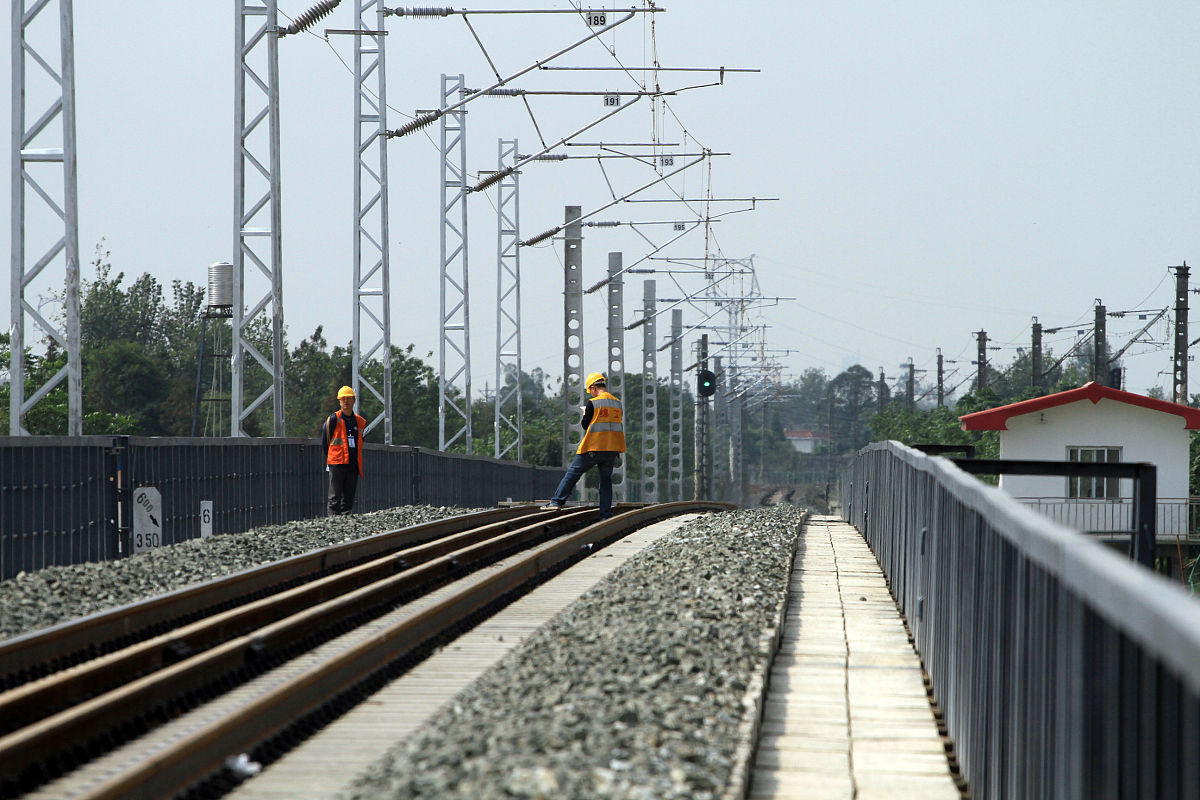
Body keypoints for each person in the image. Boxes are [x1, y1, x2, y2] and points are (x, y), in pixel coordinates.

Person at [544, 372, 626, 519]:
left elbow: (585, 425)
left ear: (594, 387)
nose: (591, 394)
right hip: (612, 449)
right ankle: (605, 514)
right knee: (606, 482)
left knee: (573, 473)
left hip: (593, 447)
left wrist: (585, 413)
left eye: (590, 390)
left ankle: (556, 502)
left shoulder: (593, 403)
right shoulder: (617, 403)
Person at [322, 385, 367, 515]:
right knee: (334, 498)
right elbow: (325, 443)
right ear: (339, 401)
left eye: (348, 398)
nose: (346, 401)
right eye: (343, 399)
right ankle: (333, 524)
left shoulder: (359, 422)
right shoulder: (333, 419)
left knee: (348, 499)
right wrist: (331, 458)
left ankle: (345, 524)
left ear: (354, 400)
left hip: (353, 465)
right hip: (337, 464)